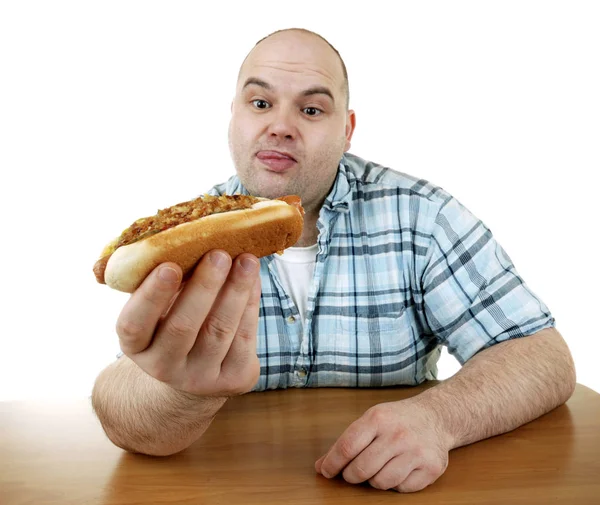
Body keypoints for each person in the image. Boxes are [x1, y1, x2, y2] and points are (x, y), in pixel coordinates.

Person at [91, 28, 576, 493]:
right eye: (260, 103)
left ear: (346, 130)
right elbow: (123, 410)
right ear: (233, 116)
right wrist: (182, 392)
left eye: (311, 108)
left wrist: (439, 417)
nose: (280, 126)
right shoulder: (186, 241)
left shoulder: (422, 215)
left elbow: (543, 356)